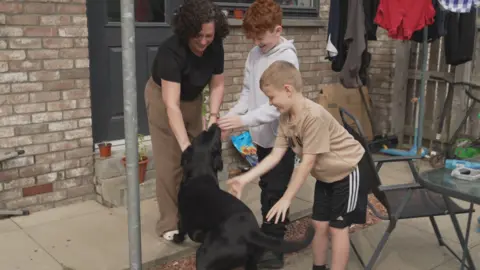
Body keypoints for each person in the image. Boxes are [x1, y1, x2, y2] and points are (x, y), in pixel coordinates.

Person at [227, 60, 371, 270]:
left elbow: (307, 162)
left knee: (337, 227)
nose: (270, 103)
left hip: (348, 171)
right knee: (319, 224)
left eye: (271, 97)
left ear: (287, 89)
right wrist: (244, 179)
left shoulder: (312, 116)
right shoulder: (286, 117)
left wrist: (287, 199)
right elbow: (275, 156)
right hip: (326, 175)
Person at [217, 0, 298, 268]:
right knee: (266, 187)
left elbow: (274, 109)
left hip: (281, 139)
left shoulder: (286, 58)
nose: (256, 43)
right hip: (261, 138)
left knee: (275, 191)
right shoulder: (255, 54)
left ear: (277, 29)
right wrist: (231, 117)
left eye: (260, 39)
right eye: (253, 39)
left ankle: (274, 250)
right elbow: (247, 94)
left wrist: (243, 119)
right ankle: (267, 236)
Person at [144, 0, 229, 241]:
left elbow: (218, 84)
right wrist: (185, 147)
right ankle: (169, 223)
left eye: (209, 36)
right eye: (198, 36)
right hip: (164, 99)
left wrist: (213, 117)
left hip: (192, 99)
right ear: (187, 30)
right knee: (172, 163)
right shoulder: (171, 51)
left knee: (201, 162)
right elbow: (171, 105)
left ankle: (197, 215)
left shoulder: (215, 46)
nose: (203, 42)